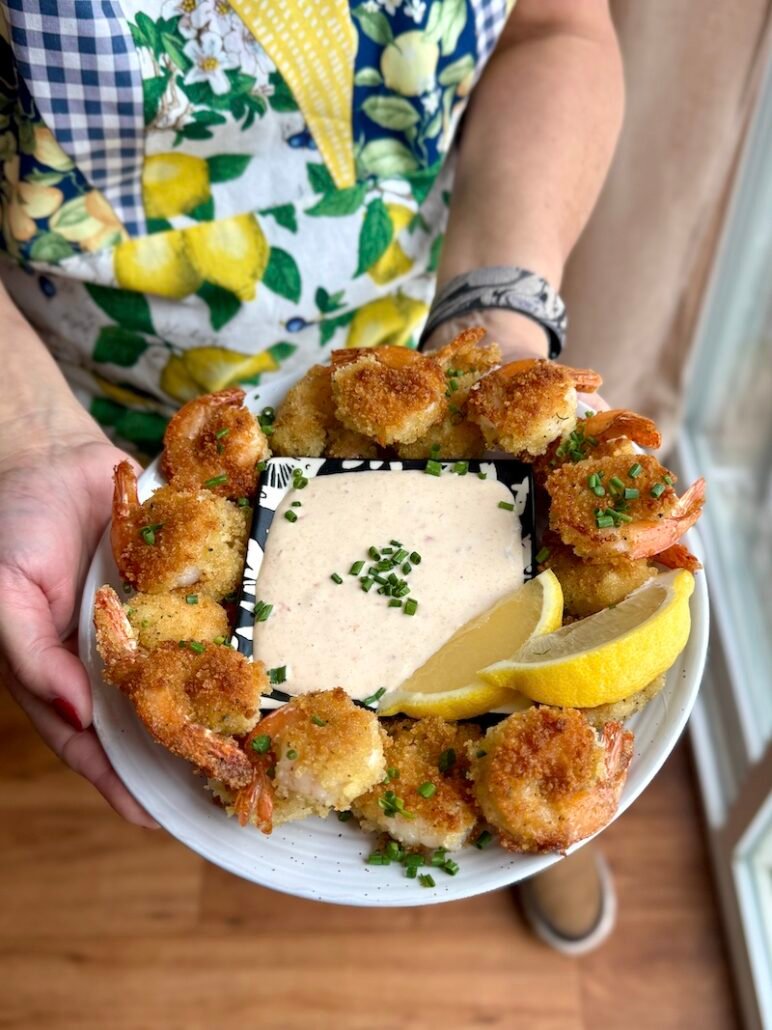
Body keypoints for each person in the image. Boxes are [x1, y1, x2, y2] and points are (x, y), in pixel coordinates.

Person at [0, 0, 624, 952]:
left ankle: (552, 808)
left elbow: (554, 27)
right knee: (135, 708)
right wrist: (27, 437)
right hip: (92, 392)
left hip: (418, 337)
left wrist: (499, 326)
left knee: (556, 714)